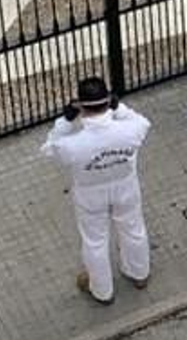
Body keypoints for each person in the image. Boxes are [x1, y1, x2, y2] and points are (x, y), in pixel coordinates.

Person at [39, 74, 152, 305]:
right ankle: (139, 273)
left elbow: (49, 149)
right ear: (108, 100)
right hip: (125, 185)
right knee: (133, 229)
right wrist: (119, 108)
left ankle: (102, 291)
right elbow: (143, 123)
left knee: (95, 242)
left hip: (90, 193)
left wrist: (65, 121)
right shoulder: (130, 130)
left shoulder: (73, 144)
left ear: (80, 106)